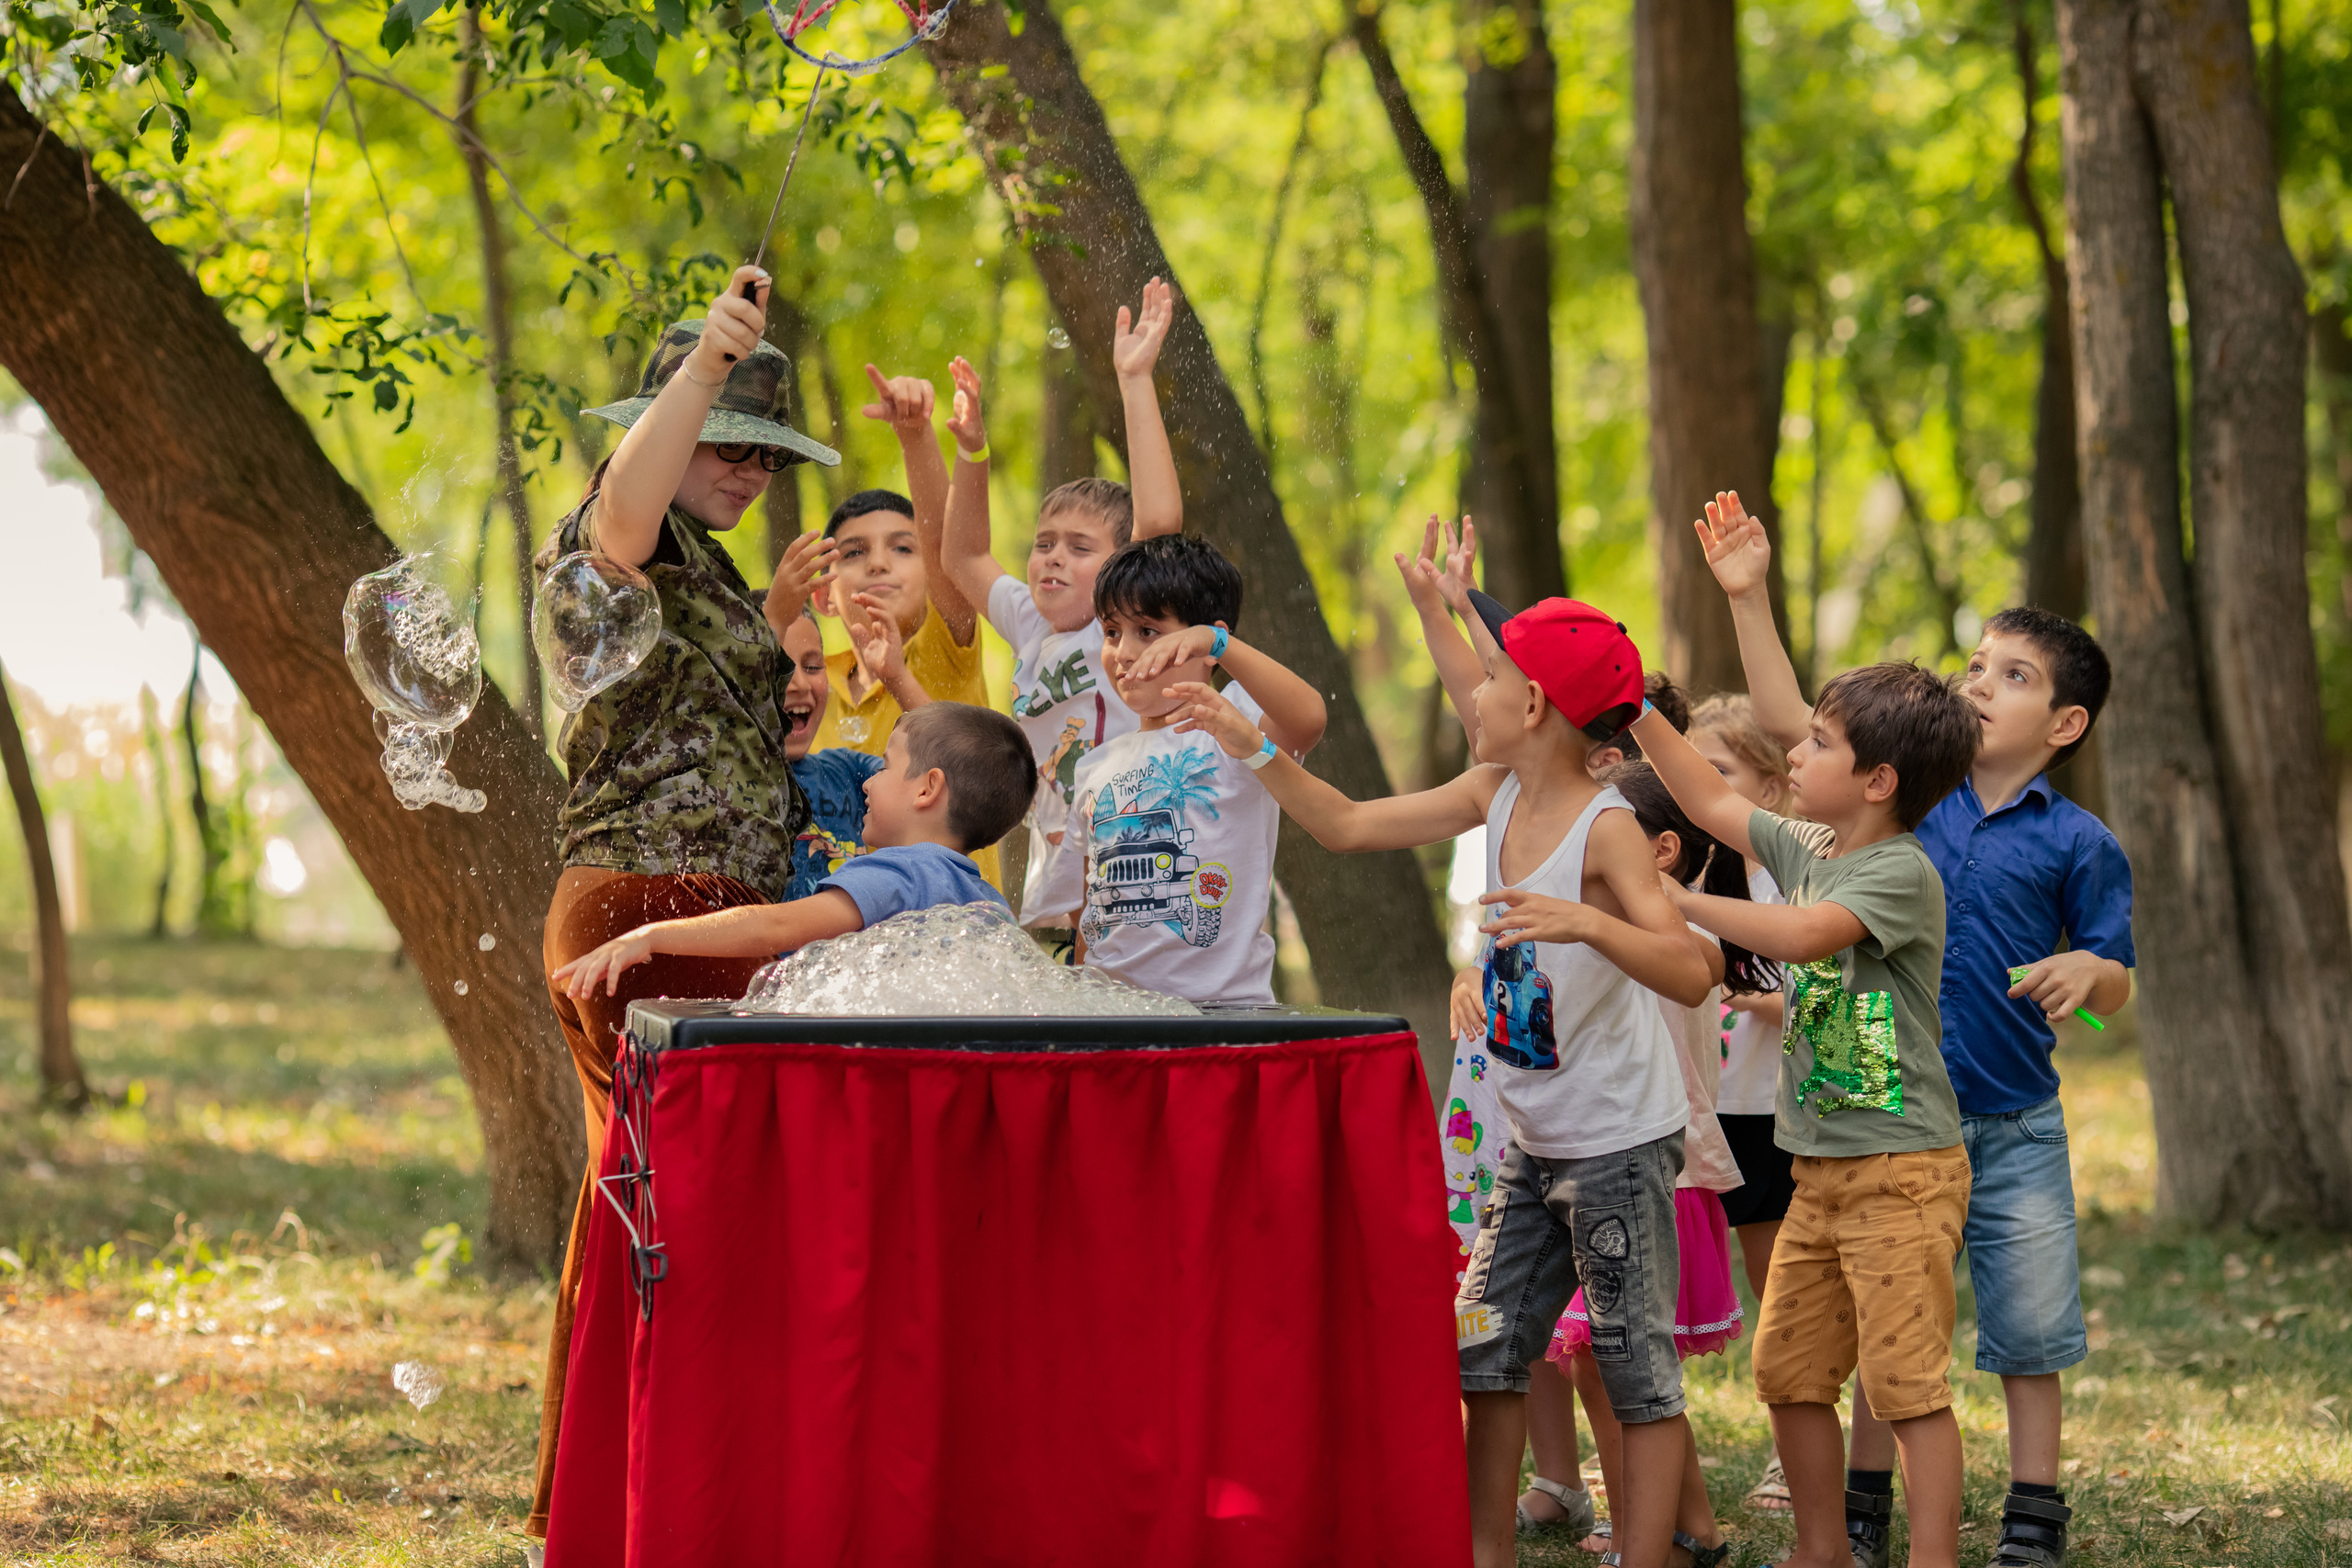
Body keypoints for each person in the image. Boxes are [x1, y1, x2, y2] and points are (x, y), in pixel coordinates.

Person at [1173, 589, 1710, 1568]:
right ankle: (1479, 1554)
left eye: (1496, 675)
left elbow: (1691, 967)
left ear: (1537, 702)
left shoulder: (1607, 830)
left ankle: (1650, 1556)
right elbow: (1343, 823)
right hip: (1528, 1141)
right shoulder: (1491, 792)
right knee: (1484, 1349)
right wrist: (1246, 743)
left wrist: (1590, 922)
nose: (1479, 689)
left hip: (1618, 1144)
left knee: (1636, 1369)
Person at [1692, 491, 2132, 1568]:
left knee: (2026, 1332)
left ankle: (2032, 1515)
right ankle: (1860, 1507)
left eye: (2013, 676)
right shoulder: (1903, 806)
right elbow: (1800, 725)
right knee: (1889, 1333)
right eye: (1979, 664)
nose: (1982, 682)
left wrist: (2092, 968)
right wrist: (1747, 596)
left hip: (2012, 1120)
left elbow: (2117, 975)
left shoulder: (2079, 840)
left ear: (2064, 725)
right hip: (1888, 1132)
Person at [526, 265, 840, 1543]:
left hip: (706, 914)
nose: (751, 467)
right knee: (673, 1209)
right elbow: (620, 513)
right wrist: (704, 364)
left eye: (770, 453)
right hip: (647, 915)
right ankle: (640, 1499)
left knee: (651, 1199)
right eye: (727, 438)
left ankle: (632, 1487)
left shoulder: (711, 574)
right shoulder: (623, 540)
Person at [1622, 626, 1981, 1568]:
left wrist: (1671, 899)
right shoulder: (1813, 842)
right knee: (1787, 1376)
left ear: (1878, 782)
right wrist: (1632, 711)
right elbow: (1703, 795)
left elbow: (1802, 937)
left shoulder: (1897, 871)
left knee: (1906, 1388)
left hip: (1901, 1173)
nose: (1795, 752)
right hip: (1817, 1170)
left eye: (1819, 743)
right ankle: (1821, 1551)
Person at [1529, 761, 1770, 1568]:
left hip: (1664, 1175)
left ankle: (1651, 1529)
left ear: (1661, 850)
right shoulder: (1611, 924)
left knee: (1615, 1359)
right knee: (1605, 1359)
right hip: (1597, 1166)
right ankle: (1682, 1526)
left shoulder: (1683, 943)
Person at [937, 279, 1186, 929]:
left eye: (1079, 546)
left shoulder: (1122, 620)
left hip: (1134, 861)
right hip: (1055, 875)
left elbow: (1158, 517)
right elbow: (962, 557)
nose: (1052, 556)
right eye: (1044, 542)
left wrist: (1134, 381)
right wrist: (972, 452)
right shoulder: (1031, 624)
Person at [553, 702, 1034, 996]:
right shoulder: (984, 899)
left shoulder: (900, 873)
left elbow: (778, 927)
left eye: (885, 766)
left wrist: (651, 937)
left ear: (928, 789)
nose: (869, 782)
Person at [1068, 534, 1327, 1007]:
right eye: (1111, 632)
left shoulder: (1233, 722)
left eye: (1147, 631)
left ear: (1207, 644)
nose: (1124, 652)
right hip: (1110, 1015)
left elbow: (1308, 719)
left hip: (1222, 1014)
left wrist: (1220, 643)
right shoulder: (1093, 766)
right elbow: (1093, 903)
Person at [808, 367, 1002, 883]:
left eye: (902, 547)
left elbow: (951, 554)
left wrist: (916, 436)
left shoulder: (944, 653)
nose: (878, 564)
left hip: (946, 933)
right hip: (837, 939)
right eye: (854, 552)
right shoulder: (807, 684)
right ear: (823, 594)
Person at [1683, 693, 1800, 1516]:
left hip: (1778, 1113)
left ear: (1769, 785)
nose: (1699, 784)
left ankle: (1798, 1460)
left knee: (1785, 1298)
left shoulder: (1801, 870)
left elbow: (1844, 985)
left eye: (1717, 769)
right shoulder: (1684, 866)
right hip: (1701, 1111)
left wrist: (1769, 997)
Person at [778, 598, 927, 898]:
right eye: (777, 667)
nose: (798, 684)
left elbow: (945, 767)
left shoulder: (847, 771)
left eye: (811, 666)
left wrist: (897, 677)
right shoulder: (728, 781)